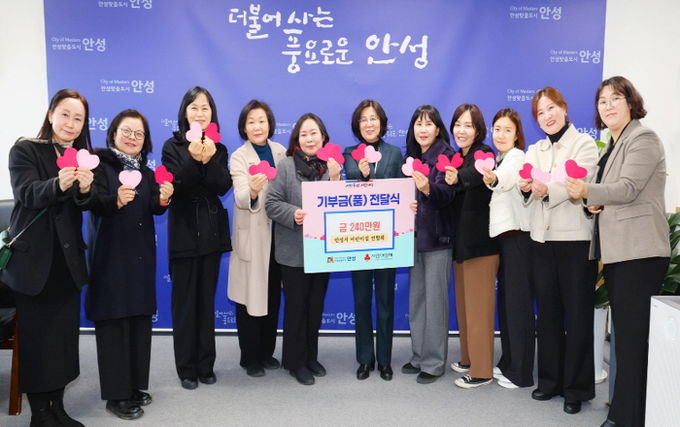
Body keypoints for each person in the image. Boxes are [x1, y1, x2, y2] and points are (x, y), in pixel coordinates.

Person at [566, 76, 670, 427]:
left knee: (632, 341)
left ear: (630, 103)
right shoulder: (610, 146)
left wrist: (588, 192)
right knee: (626, 340)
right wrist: (590, 203)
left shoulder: (643, 138)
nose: (608, 106)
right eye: (602, 101)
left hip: (640, 252)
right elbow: (602, 196)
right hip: (619, 252)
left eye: (615, 98)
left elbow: (627, 189)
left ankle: (627, 418)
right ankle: (626, 414)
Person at [0, 89, 94, 426]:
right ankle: (40, 414)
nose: (71, 123)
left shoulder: (82, 157)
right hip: (33, 262)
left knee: (63, 340)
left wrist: (85, 189)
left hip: (67, 262)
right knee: (38, 340)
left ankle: (57, 408)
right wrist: (58, 184)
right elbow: (26, 193)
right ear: (51, 113)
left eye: (78, 118)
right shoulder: (25, 148)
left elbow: (86, 205)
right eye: (65, 114)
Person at [86, 109, 173, 420]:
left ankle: (134, 386)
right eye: (126, 131)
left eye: (139, 133)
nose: (132, 137)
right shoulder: (99, 165)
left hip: (140, 257)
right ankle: (116, 395)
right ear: (113, 133)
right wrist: (115, 200)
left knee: (138, 321)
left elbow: (152, 208)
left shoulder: (146, 172)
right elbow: (91, 201)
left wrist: (163, 199)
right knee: (114, 325)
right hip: (110, 257)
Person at [518, 87, 598, 414]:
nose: (547, 116)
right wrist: (526, 188)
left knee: (577, 316)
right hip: (541, 241)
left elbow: (576, 185)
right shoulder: (534, 149)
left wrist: (545, 187)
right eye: (540, 112)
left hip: (576, 242)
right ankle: (549, 381)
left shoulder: (584, 144)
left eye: (551, 108)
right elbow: (527, 186)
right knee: (548, 315)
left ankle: (576, 389)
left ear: (564, 108)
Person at [161, 87, 232, 390]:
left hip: (212, 235)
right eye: (194, 107)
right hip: (184, 235)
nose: (199, 113)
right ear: (184, 112)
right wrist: (193, 159)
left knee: (205, 303)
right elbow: (177, 185)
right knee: (185, 305)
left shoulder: (219, 147)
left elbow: (221, 186)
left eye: (205, 108)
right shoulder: (172, 146)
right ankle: (186, 368)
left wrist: (210, 159)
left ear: (212, 113)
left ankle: (205, 365)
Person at [265, 113, 342, 385]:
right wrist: (293, 213)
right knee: (296, 308)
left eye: (314, 133)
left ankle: (310, 357)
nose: (310, 139)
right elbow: (271, 203)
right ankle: (295, 362)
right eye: (304, 134)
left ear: (323, 137)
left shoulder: (331, 167)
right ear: (297, 139)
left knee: (315, 307)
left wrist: (336, 179)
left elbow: (341, 204)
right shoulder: (285, 166)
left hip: (322, 251)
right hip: (293, 251)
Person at [342, 99, 403, 381]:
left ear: (382, 123)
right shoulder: (350, 153)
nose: (369, 124)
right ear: (358, 125)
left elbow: (403, 191)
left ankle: (385, 360)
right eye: (364, 119)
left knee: (386, 301)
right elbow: (348, 186)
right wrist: (362, 174)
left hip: (387, 238)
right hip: (358, 237)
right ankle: (365, 359)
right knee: (362, 300)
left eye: (374, 118)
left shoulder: (394, 153)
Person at [228, 100, 286, 377]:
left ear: (269, 124)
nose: (257, 126)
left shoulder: (281, 152)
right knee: (249, 297)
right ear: (244, 127)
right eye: (251, 122)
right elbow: (240, 197)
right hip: (252, 236)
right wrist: (251, 191)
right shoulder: (239, 157)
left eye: (261, 120)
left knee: (272, 295)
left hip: (279, 237)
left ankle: (266, 352)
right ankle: (250, 357)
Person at [444, 104, 500, 389]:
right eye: (458, 124)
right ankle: (468, 358)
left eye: (468, 125)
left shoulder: (484, 153)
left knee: (479, 310)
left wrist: (458, 177)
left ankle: (481, 370)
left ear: (478, 130)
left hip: (481, 245)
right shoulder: (458, 156)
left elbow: (477, 174)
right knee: (465, 307)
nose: (461, 130)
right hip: (461, 245)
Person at [400, 105, 456, 384]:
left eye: (428, 124)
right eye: (418, 124)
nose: (423, 129)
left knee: (435, 302)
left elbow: (447, 195)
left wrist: (426, 189)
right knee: (418, 299)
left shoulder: (447, 156)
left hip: (437, 238)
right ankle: (419, 355)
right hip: (413, 237)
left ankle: (433, 363)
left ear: (437, 128)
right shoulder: (411, 158)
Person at [481, 108, 534, 389]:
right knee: (507, 304)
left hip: (519, 239)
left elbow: (507, 177)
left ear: (517, 135)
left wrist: (493, 178)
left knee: (518, 306)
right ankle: (509, 362)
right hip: (505, 239)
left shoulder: (516, 157)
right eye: (497, 129)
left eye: (507, 130)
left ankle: (521, 373)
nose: (501, 135)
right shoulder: (500, 157)